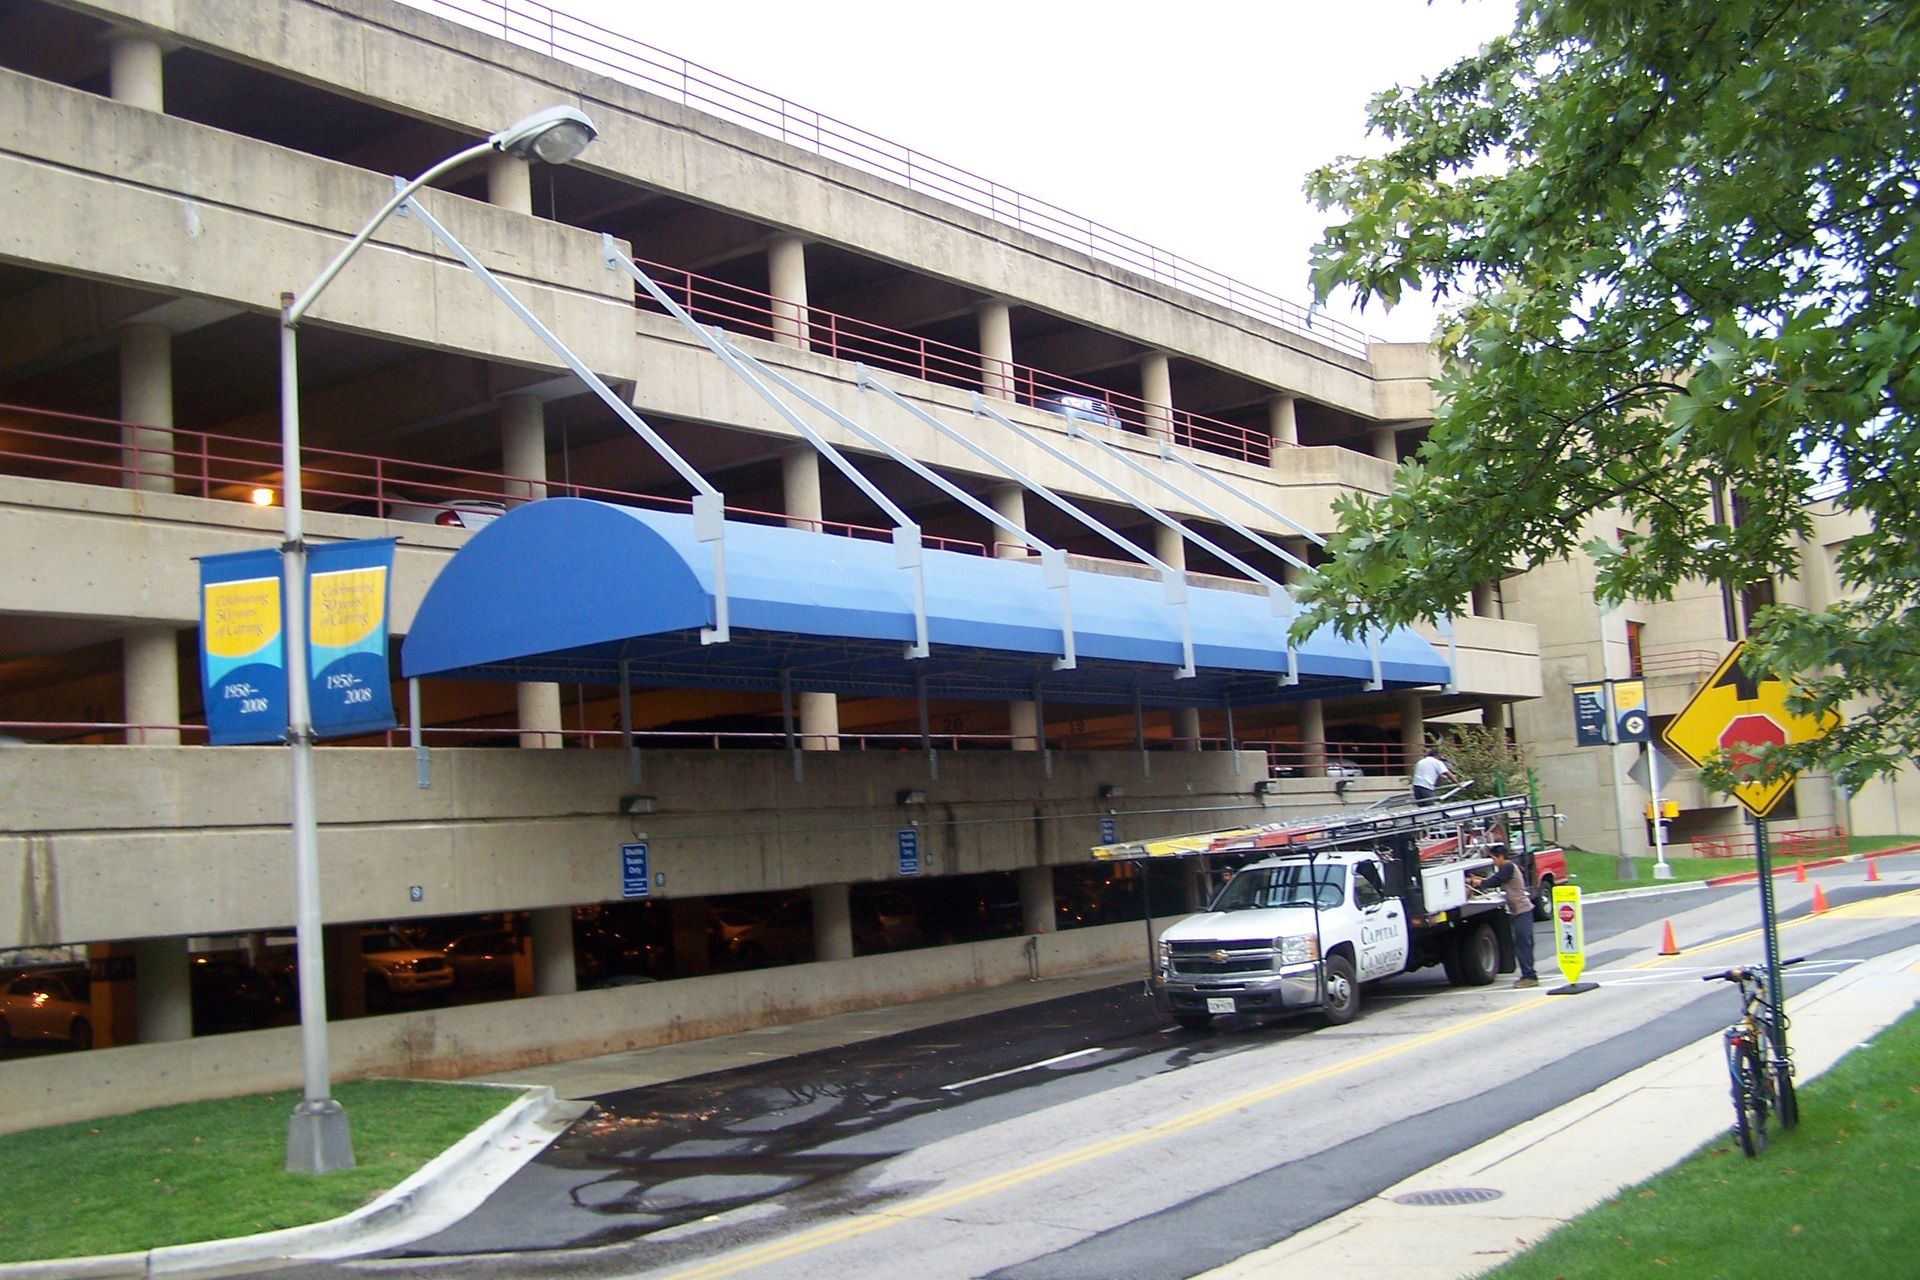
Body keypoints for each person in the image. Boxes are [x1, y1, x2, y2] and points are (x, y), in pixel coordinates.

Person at [1469, 844, 1538, 987]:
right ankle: (1529, 975)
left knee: (1523, 944)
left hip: (1522, 911)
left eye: (1494, 858)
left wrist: (1476, 882)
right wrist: (1478, 879)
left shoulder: (1508, 867)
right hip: (1520, 911)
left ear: (1501, 857)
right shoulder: (1507, 868)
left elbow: (1494, 881)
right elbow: (1496, 879)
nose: (1493, 862)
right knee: (1523, 944)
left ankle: (1529, 976)